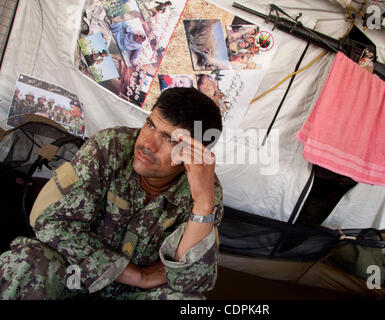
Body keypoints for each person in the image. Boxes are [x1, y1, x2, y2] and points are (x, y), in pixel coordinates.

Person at [0, 87, 224, 300]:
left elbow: (189, 282)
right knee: (27, 260)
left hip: (133, 295)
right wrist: (139, 275)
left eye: (170, 139)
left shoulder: (205, 190)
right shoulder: (110, 147)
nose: (147, 144)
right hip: (75, 275)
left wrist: (203, 206)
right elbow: (51, 223)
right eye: (150, 125)